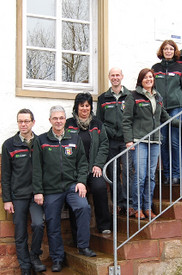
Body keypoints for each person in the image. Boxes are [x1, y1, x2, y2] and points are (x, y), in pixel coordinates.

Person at [33, 106, 96, 273]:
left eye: (61, 118)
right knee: (53, 222)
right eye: (55, 118)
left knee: (83, 207)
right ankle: (57, 258)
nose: (59, 121)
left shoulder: (74, 138)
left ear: (65, 120)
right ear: (50, 120)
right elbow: (37, 168)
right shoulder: (41, 140)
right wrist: (38, 191)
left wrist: (81, 182)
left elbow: (83, 163)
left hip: (71, 186)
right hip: (51, 189)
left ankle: (83, 246)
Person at [123, 68, 182, 219]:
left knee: (151, 176)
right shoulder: (133, 96)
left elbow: (165, 117)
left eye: (151, 77)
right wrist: (129, 140)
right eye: (145, 77)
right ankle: (137, 208)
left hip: (155, 141)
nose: (149, 79)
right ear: (140, 80)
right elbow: (127, 120)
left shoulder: (158, 96)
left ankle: (148, 207)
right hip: (140, 141)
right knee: (140, 176)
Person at [1, 109, 46, 275]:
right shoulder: (9, 145)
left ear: (33, 122)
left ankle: (34, 256)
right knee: (20, 234)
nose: (23, 124)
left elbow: (44, 169)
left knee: (38, 224)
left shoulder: (40, 143)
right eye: (20, 121)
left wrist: (41, 191)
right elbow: (5, 175)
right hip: (17, 196)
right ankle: (25, 268)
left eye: (26, 121)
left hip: (36, 195)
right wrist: (7, 199)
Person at [152, 40, 182, 184]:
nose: (168, 51)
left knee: (175, 141)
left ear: (175, 51)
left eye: (171, 49)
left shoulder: (180, 67)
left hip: (177, 106)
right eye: (165, 49)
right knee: (164, 141)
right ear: (162, 51)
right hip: (161, 108)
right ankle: (167, 175)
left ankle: (176, 174)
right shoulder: (155, 68)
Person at [66, 93, 111, 234]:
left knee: (99, 188)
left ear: (91, 107)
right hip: (75, 170)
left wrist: (98, 164)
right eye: (81, 106)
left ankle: (104, 226)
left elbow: (104, 144)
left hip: (93, 168)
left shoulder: (97, 124)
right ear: (76, 107)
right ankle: (77, 231)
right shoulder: (69, 124)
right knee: (77, 195)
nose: (84, 108)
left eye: (87, 105)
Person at [97, 68, 134, 217]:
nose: (115, 78)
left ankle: (129, 204)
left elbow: (134, 117)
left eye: (117, 75)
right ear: (109, 77)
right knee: (113, 173)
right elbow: (100, 121)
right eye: (112, 75)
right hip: (111, 141)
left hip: (126, 141)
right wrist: (108, 132)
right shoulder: (103, 98)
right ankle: (118, 203)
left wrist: (130, 137)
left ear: (122, 77)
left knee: (127, 173)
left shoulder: (130, 96)